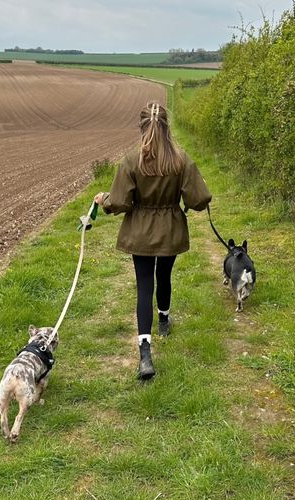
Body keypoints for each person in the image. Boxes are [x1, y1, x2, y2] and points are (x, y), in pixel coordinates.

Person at [94, 102, 211, 381]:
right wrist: (202, 197)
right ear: (167, 126)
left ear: (142, 127)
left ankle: (145, 352)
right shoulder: (181, 159)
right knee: (165, 276)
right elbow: (198, 199)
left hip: (141, 232)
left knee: (144, 285)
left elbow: (121, 202)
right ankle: (164, 320)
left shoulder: (132, 160)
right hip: (170, 230)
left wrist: (104, 200)